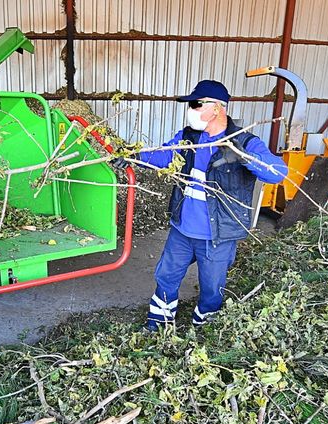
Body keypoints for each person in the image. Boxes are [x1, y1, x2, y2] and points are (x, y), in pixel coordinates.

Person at [113, 80, 288, 331]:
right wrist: (134, 156)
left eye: (196, 104)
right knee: (166, 276)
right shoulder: (189, 137)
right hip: (183, 229)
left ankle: (204, 326)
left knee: (212, 287)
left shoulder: (245, 142)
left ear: (216, 108)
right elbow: (164, 155)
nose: (190, 110)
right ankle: (159, 324)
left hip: (218, 235)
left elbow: (278, 172)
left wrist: (243, 157)